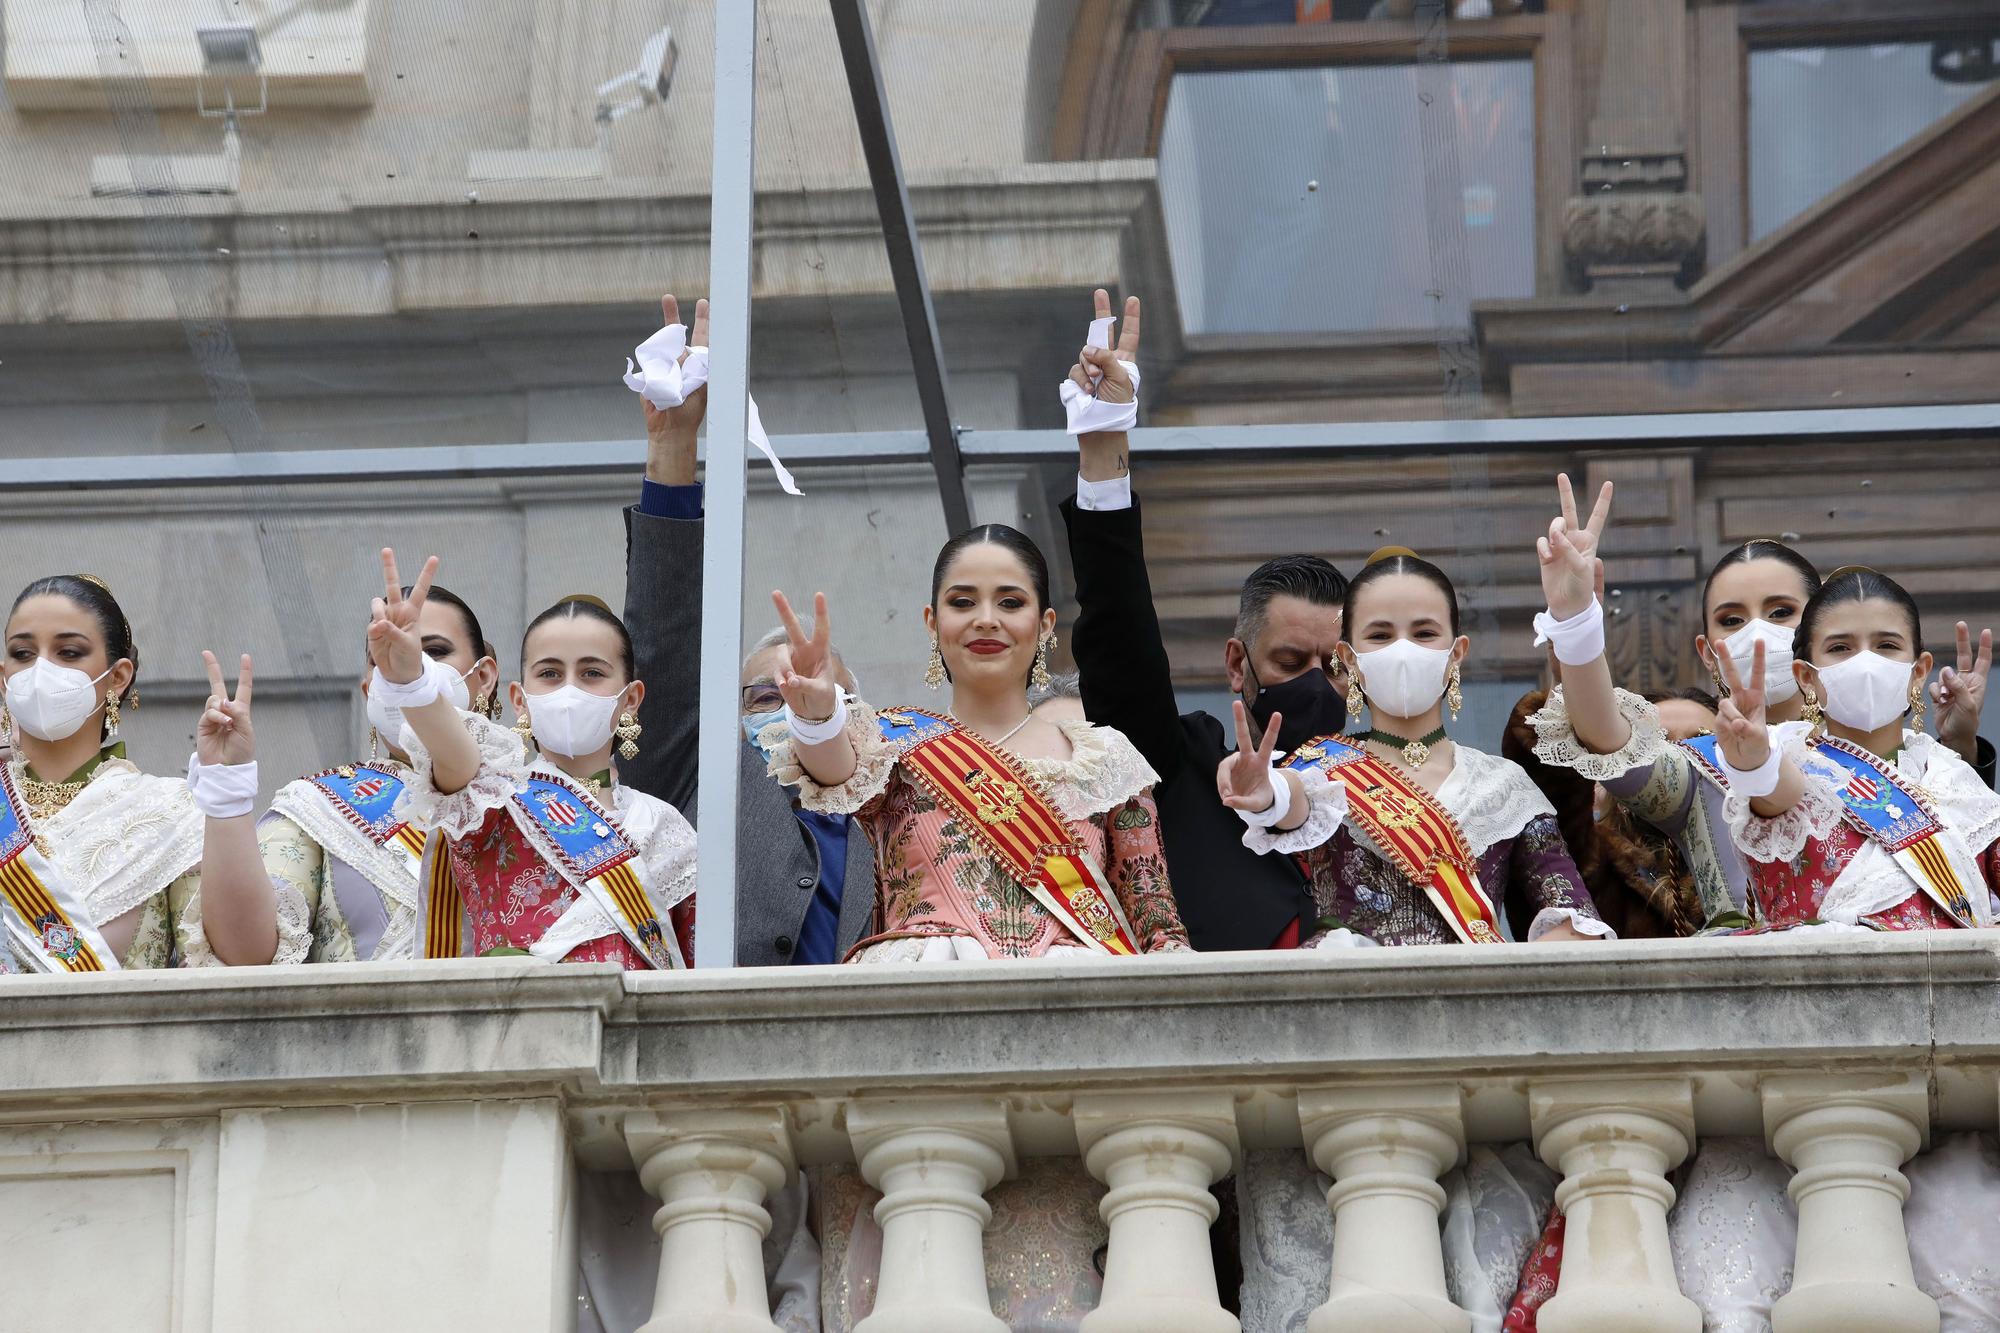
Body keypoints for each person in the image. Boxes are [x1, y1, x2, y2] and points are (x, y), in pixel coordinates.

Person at [763, 522, 1190, 1331]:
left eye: (1010, 600)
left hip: (1072, 1030)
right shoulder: (894, 741)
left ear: (1045, 624)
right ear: (932, 624)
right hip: (919, 1017)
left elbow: (1153, 913)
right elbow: (834, 768)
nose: (985, 617)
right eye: (962, 601)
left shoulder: (1104, 755)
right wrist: (817, 713)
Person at [1526, 477, 1994, 927]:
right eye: (1732, 619)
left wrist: (1964, 750)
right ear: (1707, 651)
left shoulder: (1931, 766)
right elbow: (1605, 735)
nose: (1758, 632)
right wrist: (1576, 623)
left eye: (1781, 612)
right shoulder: (1706, 766)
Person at [1059, 289, 1344, 950]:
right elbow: (1120, 641)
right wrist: (1104, 445)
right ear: (1237, 662)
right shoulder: (1178, 767)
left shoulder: (1384, 788)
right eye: (1291, 662)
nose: (1315, 684)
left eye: (1333, 666)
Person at [620, 293, 873, 967]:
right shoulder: (696, 778)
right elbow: (666, 646)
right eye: (765, 697)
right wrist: (672, 446)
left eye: (821, 694)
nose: (793, 702)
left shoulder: (896, 794)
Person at [1221, 547, 1610, 947]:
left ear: (1456, 653)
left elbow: (1575, 917)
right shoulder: (1321, 766)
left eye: (1424, 633)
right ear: (1348, 659)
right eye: (1380, 635)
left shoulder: (1506, 784)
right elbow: (1290, 800)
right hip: (1351, 995)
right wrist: (1266, 792)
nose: (1402, 650)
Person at [381, 551, 697, 967]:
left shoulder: (664, 824)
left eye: (592, 673)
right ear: (519, 699)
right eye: (549, 673)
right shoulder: (492, 798)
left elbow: (696, 970)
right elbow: (450, 749)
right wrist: (411, 682)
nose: (569, 690)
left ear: (631, 699)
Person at [1, 575, 293, 970]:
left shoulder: (168, 813)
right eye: (23, 653)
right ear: (5, 677)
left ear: (118, 677)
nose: (41, 671)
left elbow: (247, 957)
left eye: (68, 652)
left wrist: (227, 786)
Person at [197, 584, 501, 964]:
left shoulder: (539, 803)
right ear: (369, 687)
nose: (405, 664)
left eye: (434, 651)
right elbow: (246, 955)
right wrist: (227, 785)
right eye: (383, 657)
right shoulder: (318, 807)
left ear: (485, 676)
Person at [1712, 566, 2000, 929]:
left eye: (1886, 645)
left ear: (1919, 670)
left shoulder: (1955, 777)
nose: (1865, 663)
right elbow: (1772, 787)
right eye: (1840, 648)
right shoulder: (1795, 761)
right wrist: (1753, 759)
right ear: (1807, 676)